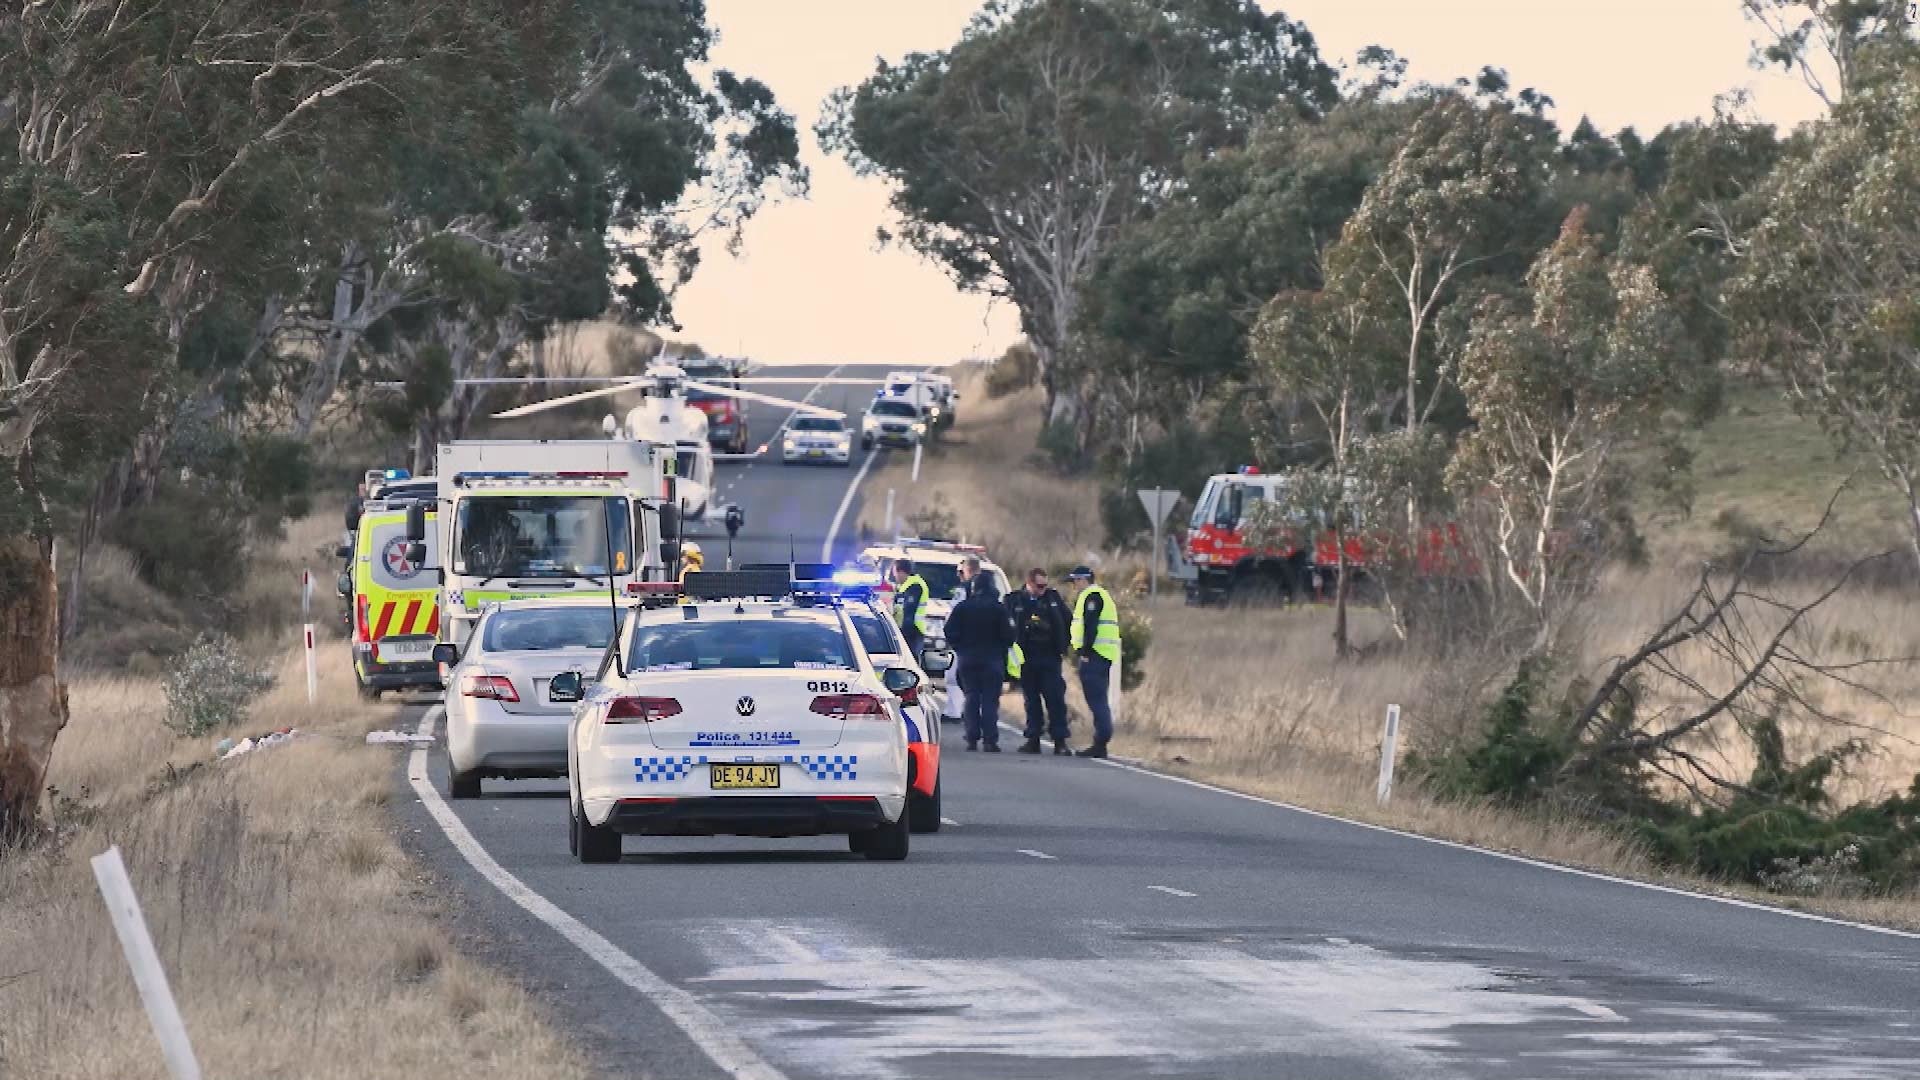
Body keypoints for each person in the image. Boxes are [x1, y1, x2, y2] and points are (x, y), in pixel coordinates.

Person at [941, 569, 1015, 751]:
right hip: (992, 660)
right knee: (990, 700)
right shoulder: (999, 609)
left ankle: (972, 738)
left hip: (968, 659)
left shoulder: (963, 607)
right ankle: (990, 740)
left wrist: (960, 647)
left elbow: (948, 630)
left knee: (971, 697)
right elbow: (1010, 636)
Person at [1006, 568, 1071, 755]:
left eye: (1045, 585)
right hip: (1026, 657)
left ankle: (1060, 740)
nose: (1043, 589)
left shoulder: (1053, 599)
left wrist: (1064, 644)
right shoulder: (1015, 600)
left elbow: (1068, 621)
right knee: (1031, 701)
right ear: (1029, 583)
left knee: (1056, 699)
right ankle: (1033, 739)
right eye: (1039, 586)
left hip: (1050, 657)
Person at [1065, 565, 1121, 759]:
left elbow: (1090, 625)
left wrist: (1085, 651)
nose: (1073, 585)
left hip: (1095, 655)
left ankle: (1101, 740)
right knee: (1098, 699)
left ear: (1083, 579)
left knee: (1097, 700)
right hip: (1102, 654)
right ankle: (1100, 741)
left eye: (1074, 581)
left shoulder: (1092, 596)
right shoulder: (1098, 595)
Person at [890, 559, 930, 655]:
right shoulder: (906, 586)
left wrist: (903, 634)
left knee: (911, 660)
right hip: (908, 630)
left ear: (901, 572)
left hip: (913, 631)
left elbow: (909, 612)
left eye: (895, 573)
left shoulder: (915, 585)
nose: (894, 576)